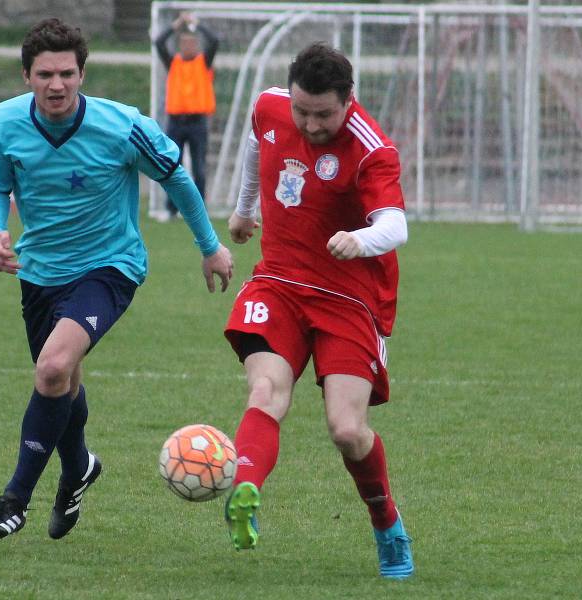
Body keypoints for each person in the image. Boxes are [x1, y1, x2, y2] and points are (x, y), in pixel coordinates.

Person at [0, 18, 233, 540]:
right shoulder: (1, 123)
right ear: (26, 76)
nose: (56, 84)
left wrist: (210, 246)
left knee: (53, 367)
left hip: (110, 267)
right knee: (63, 379)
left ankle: (13, 500)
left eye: (67, 73)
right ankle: (77, 469)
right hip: (40, 272)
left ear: (83, 73)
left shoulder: (121, 125)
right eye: (45, 74)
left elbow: (176, 178)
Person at [222, 42, 414, 579]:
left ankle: (386, 523)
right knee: (265, 391)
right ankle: (244, 488)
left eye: (323, 114)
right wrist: (243, 209)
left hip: (350, 298)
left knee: (347, 430)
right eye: (303, 111)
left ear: (348, 101)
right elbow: (257, 144)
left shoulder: (372, 149)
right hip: (279, 282)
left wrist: (363, 238)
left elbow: (397, 224)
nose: (309, 123)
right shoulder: (271, 106)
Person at [154, 11, 219, 219]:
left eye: (192, 43)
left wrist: (196, 24)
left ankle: (199, 208)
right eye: (184, 43)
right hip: (176, 122)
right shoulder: (173, 63)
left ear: (197, 45)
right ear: (180, 45)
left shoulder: (203, 63)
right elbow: (159, 41)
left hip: (197, 122)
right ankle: (171, 208)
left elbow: (215, 40)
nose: (188, 47)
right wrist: (177, 24)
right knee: (173, 165)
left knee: (199, 166)